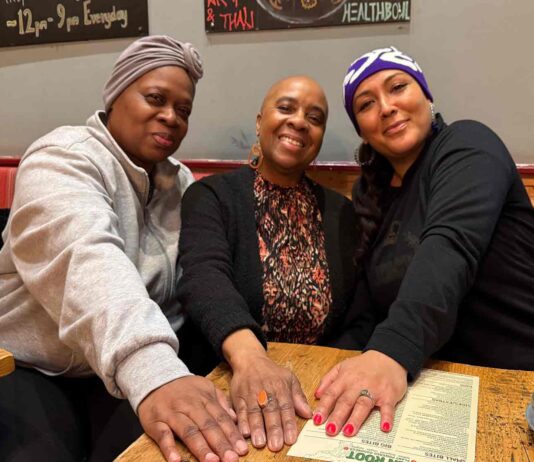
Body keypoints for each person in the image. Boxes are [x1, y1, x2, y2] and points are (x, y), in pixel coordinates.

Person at [0, 36, 248, 462]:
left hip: (123, 370)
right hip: (35, 367)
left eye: (184, 110)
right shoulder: (61, 158)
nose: (170, 116)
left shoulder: (182, 184)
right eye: (155, 98)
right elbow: (88, 263)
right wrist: (155, 372)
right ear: (116, 95)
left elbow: (207, 273)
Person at [312, 46, 534, 439]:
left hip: (519, 380)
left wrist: (392, 351)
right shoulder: (372, 196)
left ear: (427, 96)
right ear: (361, 129)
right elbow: (367, 311)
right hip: (441, 388)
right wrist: (321, 371)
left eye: (398, 87)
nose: (386, 107)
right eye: (366, 104)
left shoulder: (468, 144)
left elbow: (450, 247)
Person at [177, 76, 358, 452]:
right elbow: (203, 278)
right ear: (260, 121)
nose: (299, 122)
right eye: (286, 108)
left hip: (316, 394)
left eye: (315, 117)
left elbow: (360, 312)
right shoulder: (211, 196)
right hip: (226, 383)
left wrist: (324, 378)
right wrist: (251, 360)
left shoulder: (341, 212)